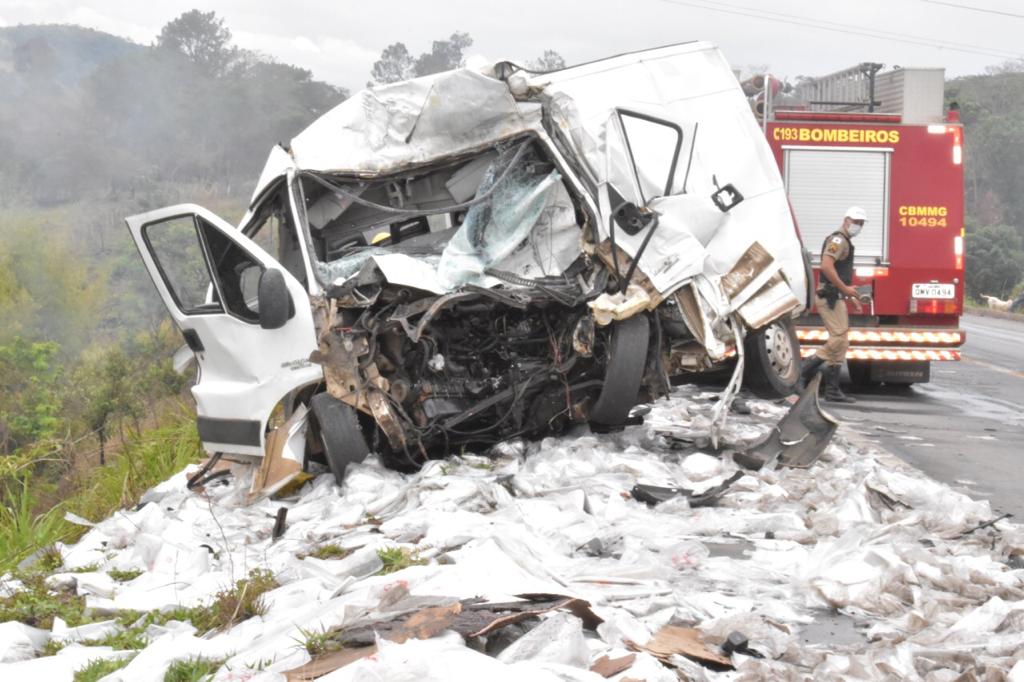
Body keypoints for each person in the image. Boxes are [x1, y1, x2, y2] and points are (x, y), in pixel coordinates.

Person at [799, 206, 868, 403]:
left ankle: (832, 390)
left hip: (835, 296)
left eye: (861, 223)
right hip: (829, 296)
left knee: (842, 341)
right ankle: (802, 372)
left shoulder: (845, 241)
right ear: (846, 220)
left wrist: (850, 295)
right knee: (838, 339)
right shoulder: (838, 240)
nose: (858, 226)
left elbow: (838, 272)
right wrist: (845, 290)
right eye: (856, 222)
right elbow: (826, 266)